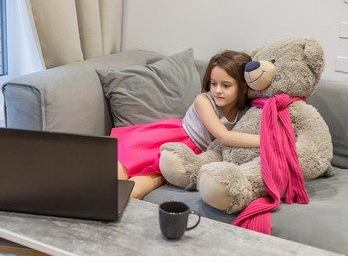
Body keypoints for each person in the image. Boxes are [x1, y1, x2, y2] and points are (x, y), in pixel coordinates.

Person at [111, 50, 260, 199]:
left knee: (144, 183)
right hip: (174, 138)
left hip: (191, 155)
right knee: (123, 167)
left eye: (226, 85)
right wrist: (264, 140)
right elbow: (223, 136)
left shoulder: (245, 112)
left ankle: (115, 204)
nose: (217, 90)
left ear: (244, 87)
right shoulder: (203, 101)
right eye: (213, 84)